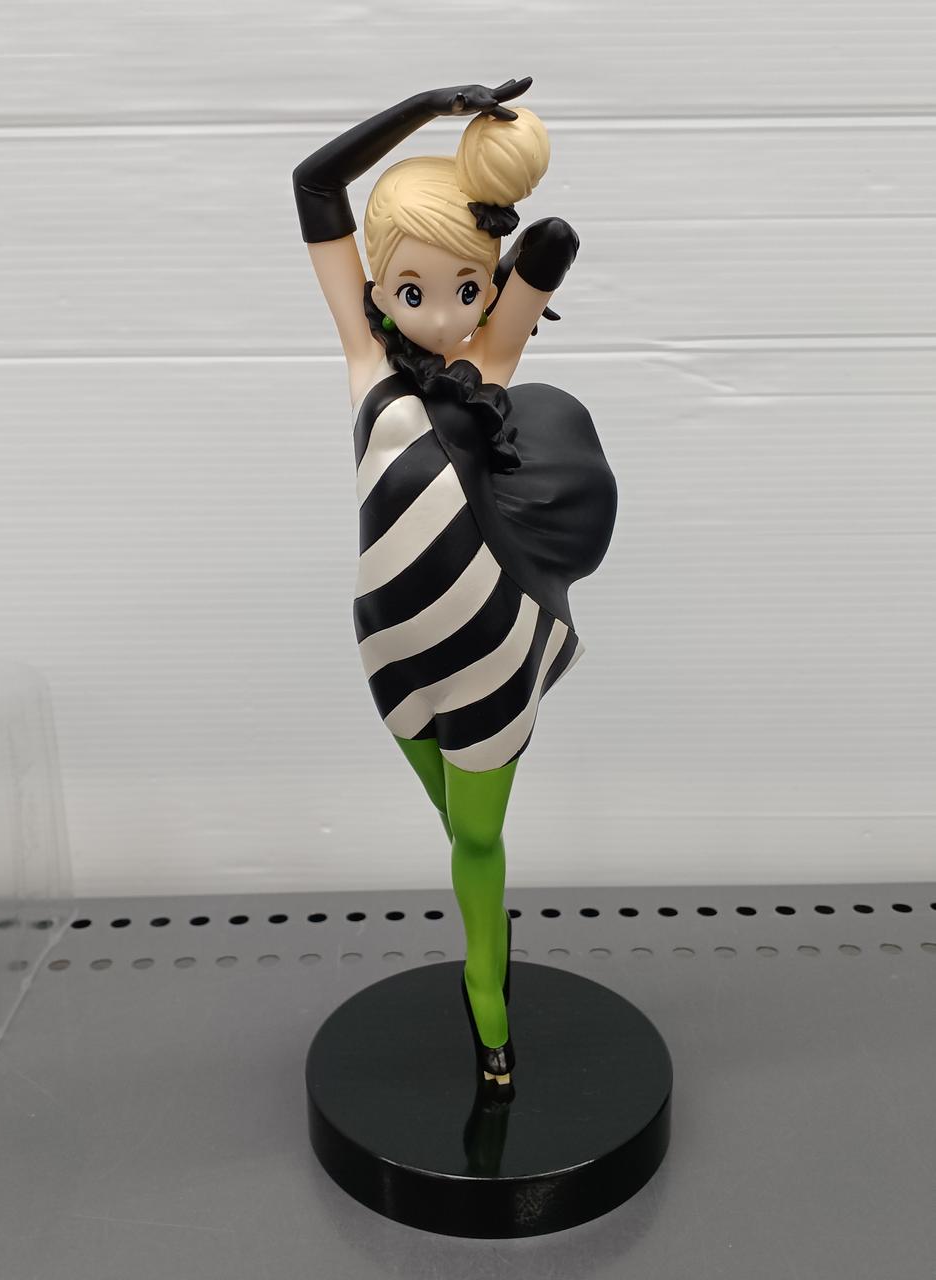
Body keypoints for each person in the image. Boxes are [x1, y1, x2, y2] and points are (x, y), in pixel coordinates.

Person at [292, 78, 618, 1090]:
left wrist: (525, 249)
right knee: (460, 830)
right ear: (377, 287)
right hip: (390, 646)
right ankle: (491, 951)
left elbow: (542, 255)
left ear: (489, 285)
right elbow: (314, 183)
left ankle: (490, 1012)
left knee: (476, 834)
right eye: (413, 290)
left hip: (487, 647)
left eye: (466, 290)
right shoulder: (366, 364)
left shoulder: (491, 369)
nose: (442, 314)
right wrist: (430, 106)